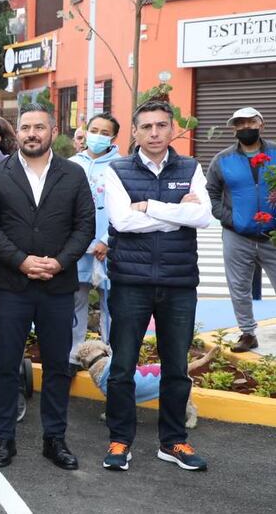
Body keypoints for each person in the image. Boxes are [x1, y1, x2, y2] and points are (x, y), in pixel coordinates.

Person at [0, 104, 94, 470]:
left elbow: (85, 226)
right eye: (25, 127)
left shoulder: (73, 174)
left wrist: (59, 262)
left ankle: (54, 439)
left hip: (59, 286)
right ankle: (4, 439)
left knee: (58, 365)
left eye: (39, 127)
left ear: (52, 130)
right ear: (17, 131)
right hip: (12, 283)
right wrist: (22, 261)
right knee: (6, 364)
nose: (31, 133)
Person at [102, 101, 213, 472]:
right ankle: (120, 441)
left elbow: (203, 217)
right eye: (146, 126)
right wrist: (175, 213)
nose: (154, 133)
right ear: (133, 132)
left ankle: (174, 441)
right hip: (131, 282)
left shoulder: (191, 167)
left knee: (176, 367)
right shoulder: (117, 169)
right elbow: (121, 222)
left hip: (178, 283)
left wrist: (148, 206)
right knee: (122, 365)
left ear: (171, 129)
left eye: (161, 126)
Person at [207, 107, 276, 353]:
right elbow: (212, 193)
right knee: (238, 287)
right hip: (237, 235)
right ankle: (248, 333)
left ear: (261, 124)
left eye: (251, 122)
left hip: (272, 235)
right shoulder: (222, 160)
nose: (246, 127)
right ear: (234, 128)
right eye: (240, 123)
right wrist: (230, 218)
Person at [68, 113, 122, 368]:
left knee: (111, 304)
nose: (98, 135)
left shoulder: (121, 166)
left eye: (104, 132)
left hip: (108, 249)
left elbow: (123, 208)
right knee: (75, 302)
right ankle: (75, 354)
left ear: (113, 137)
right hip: (76, 249)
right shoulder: (69, 165)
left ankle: (110, 356)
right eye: (94, 129)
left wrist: (106, 240)